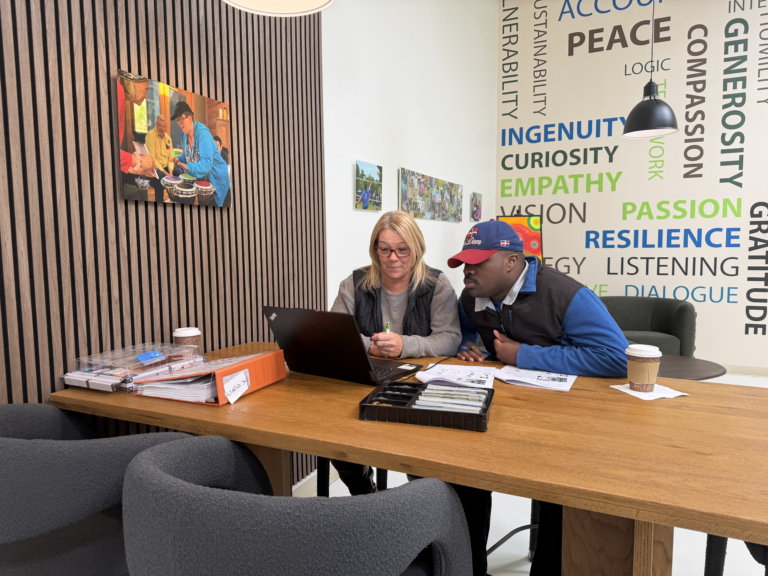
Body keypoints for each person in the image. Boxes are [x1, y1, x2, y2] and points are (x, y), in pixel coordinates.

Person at [449, 219, 628, 576]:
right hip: (503, 411)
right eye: (465, 261)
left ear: (511, 262)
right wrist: (464, 346)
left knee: (562, 495)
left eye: (478, 261)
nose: (468, 270)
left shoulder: (565, 294)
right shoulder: (470, 296)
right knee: (460, 473)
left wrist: (523, 355)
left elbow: (617, 357)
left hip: (569, 424)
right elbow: (465, 332)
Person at [170, 101, 231, 207]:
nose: (179, 123)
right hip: (203, 184)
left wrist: (188, 167)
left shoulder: (203, 134)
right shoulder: (184, 136)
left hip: (217, 182)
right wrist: (179, 159)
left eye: (181, 118)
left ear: (190, 118)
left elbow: (207, 164)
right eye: (178, 120)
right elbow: (187, 156)